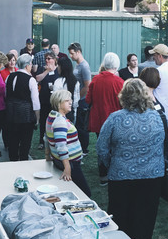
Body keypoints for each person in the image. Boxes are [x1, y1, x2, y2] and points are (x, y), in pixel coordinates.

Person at [96, 79, 168, 239]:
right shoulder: (160, 118)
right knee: (145, 219)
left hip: (121, 176)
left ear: (124, 96)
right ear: (146, 95)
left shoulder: (115, 119)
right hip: (152, 177)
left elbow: (101, 149)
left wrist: (112, 164)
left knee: (120, 218)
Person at [87, 52, 125, 185]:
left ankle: (103, 174)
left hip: (99, 119)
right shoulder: (119, 82)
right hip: (116, 121)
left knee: (102, 146)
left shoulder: (96, 79)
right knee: (115, 147)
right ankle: (113, 173)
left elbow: (88, 99)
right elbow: (124, 103)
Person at [45, 89, 91, 197]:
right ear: (58, 103)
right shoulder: (60, 121)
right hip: (70, 163)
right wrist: (68, 167)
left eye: (70, 99)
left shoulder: (52, 116)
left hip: (60, 161)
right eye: (67, 100)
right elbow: (61, 146)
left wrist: (48, 156)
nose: (71, 102)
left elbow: (46, 137)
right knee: (85, 193)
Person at [3, 54, 40, 161]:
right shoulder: (31, 80)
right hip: (25, 115)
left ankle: (13, 160)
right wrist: (37, 118)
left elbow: (6, 95)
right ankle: (23, 162)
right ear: (27, 65)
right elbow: (35, 102)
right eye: (31, 64)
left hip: (10, 113)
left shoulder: (10, 76)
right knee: (25, 141)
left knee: (13, 139)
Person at [67, 43, 92, 154]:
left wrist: (77, 98)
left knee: (82, 126)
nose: (70, 56)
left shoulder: (84, 66)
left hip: (82, 101)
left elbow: (87, 86)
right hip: (78, 100)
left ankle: (84, 149)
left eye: (72, 54)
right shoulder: (78, 65)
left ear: (78, 52)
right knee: (77, 125)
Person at [149, 43, 168, 134]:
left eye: (154, 55)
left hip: (160, 114)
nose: (153, 57)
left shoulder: (159, 71)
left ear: (160, 56)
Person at [35, 51, 60, 151]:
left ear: (54, 59)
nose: (47, 60)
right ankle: (41, 141)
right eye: (46, 58)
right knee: (43, 120)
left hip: (55, 99)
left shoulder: (58, 70)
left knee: (55, 120)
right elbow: (37, 78)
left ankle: (53, 140)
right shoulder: (42, 68)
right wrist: (46, 71)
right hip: (44, 98)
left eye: (49, 58)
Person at [52, 56, 80, 123]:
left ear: (62, 67)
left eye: (58, 65)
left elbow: (54, 101)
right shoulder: (76, 82)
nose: (57, 68)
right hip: (72, 113)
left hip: (59, 114)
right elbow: (76, 100)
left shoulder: (58, 82)